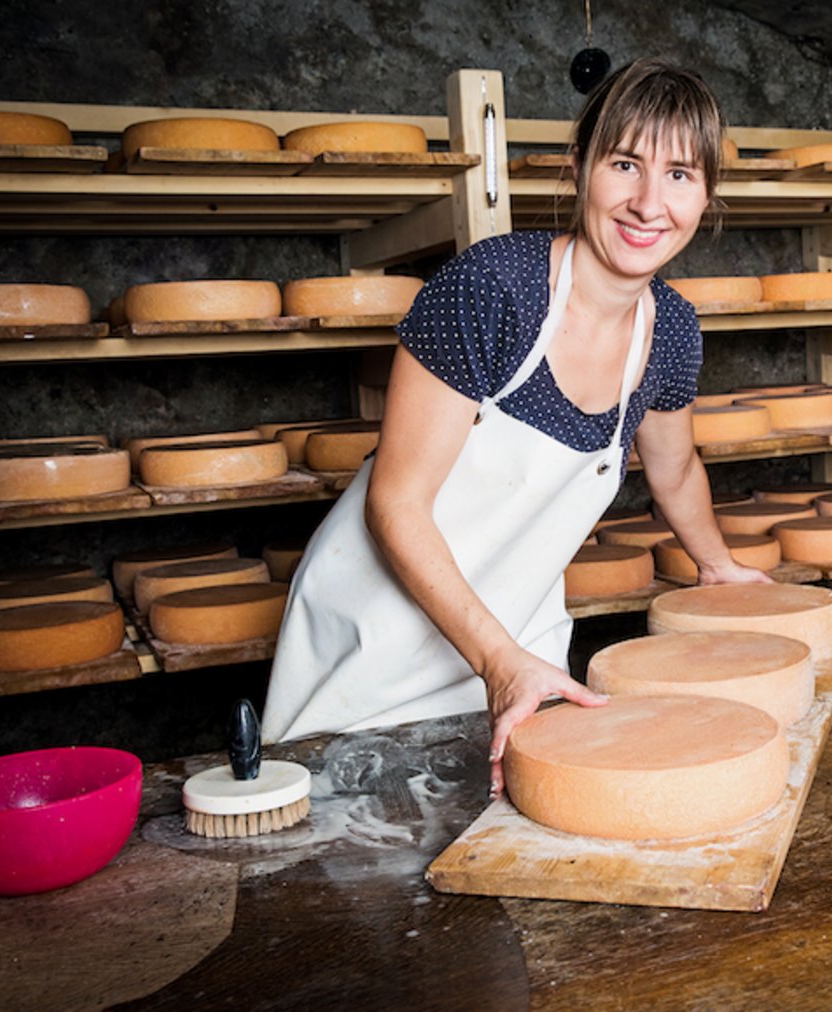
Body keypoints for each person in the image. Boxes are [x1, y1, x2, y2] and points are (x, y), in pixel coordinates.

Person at [262, 59, 769, 795]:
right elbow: (394, 505)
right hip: (376, 646)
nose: (648, 203)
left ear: (707, 196)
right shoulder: (493, 287)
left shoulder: (673, 331)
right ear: (579, 169)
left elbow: (675, 469)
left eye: (681, 175)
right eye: (625, 164)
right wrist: (493, 660)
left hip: (522, 650)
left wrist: (716, 565)